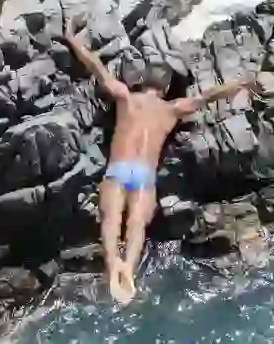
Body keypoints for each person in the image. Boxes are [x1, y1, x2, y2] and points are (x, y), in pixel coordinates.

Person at [63, 16, 258, 305]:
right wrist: (241, 84)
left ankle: (112, 263)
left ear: (141, 82)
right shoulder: (171, 109)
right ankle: (129, 267)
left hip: (118, 169)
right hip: (144, 174)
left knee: (111, 220)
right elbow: (208, 95)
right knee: (137, 226)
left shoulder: (125, 98)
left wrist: (71, 37)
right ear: (166, 88)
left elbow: (96, 66)